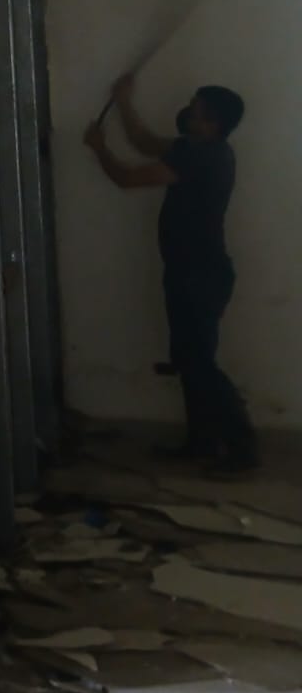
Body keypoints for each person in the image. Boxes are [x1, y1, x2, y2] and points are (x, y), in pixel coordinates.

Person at [83, 75, 257, 474]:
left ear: (212, 123)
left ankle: (242, 448)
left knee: (199, 363)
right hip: (190, 270)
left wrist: (100, 148)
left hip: (201, 274)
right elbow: (145, 143)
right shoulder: (197, 148)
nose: (187, 113)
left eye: (195, 111)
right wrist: (123, 102)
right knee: (189, 360)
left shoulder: (202, 157)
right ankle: (201, 443)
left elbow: (128, 179)